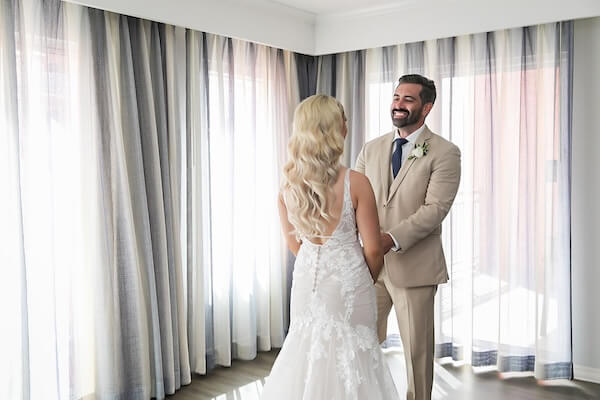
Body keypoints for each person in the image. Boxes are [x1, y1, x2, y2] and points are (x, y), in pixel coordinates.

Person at [261, 94, 399, 400]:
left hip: (306, 281)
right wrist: (362, 278)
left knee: (305, 349)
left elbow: (293, 242)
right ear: (334, 130)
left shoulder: (287, 186)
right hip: (349, 283)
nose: (347, 124)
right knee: (353, 356)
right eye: (343, 119)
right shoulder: (356, 182)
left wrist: (322, 264)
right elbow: (374, 249)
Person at [355, 74, 461, 400]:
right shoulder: (371, 149)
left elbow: (435, 209)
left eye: (408, 99)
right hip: (369, 267)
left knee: (417, 352)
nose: (398, 104)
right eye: (396, 97)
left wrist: (390, 238)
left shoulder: (445, 152)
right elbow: (354, 201)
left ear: (426, 107)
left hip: (414, 268)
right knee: (359, 340)